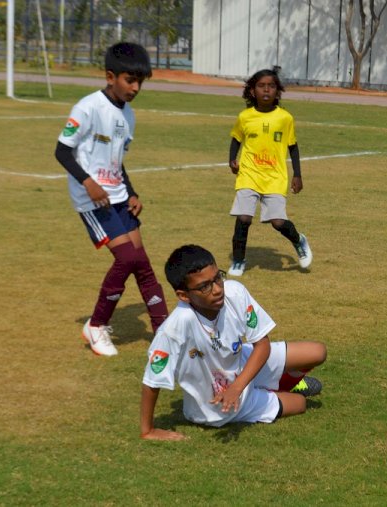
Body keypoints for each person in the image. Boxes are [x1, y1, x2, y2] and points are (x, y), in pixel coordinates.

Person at [140, 244, 326, 440]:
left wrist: (237, 386)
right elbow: (152, 380)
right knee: (300, 403)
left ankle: (279, 383)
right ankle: (273, 388)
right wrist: (148, 430)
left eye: (217, 278)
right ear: (184, 295)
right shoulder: (174, 328)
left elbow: (262, 345)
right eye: (205, 286)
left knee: (317, 352)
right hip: (219, 408)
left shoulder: (234, 292)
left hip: (239, 365)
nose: (217, 289)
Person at [54, 42, 168, 357]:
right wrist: (89, 183)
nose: (135, 88)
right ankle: (96, 325)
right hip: (92, 199)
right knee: (128, 259)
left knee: (142, 263)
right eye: (129, 80)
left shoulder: (128, 115)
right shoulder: (88, 107)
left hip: (118, 195)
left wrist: (131, 192)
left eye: (139, 82)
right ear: (110, 76)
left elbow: (117, 161)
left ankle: (164, 330)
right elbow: (62, 151)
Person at [227, 68, 312, 277]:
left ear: (278, 91)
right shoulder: (245, 117)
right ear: (252, 91)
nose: (266, 90)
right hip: (249, 174)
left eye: (271, 86)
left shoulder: (285, 118)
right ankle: (238, 260)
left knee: (278, 222)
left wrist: (297, 174)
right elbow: (236, 139)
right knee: (244, 218)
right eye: (261, 86)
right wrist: (232, 159)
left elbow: (293, 146)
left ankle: (298, 240)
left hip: (275, 176)